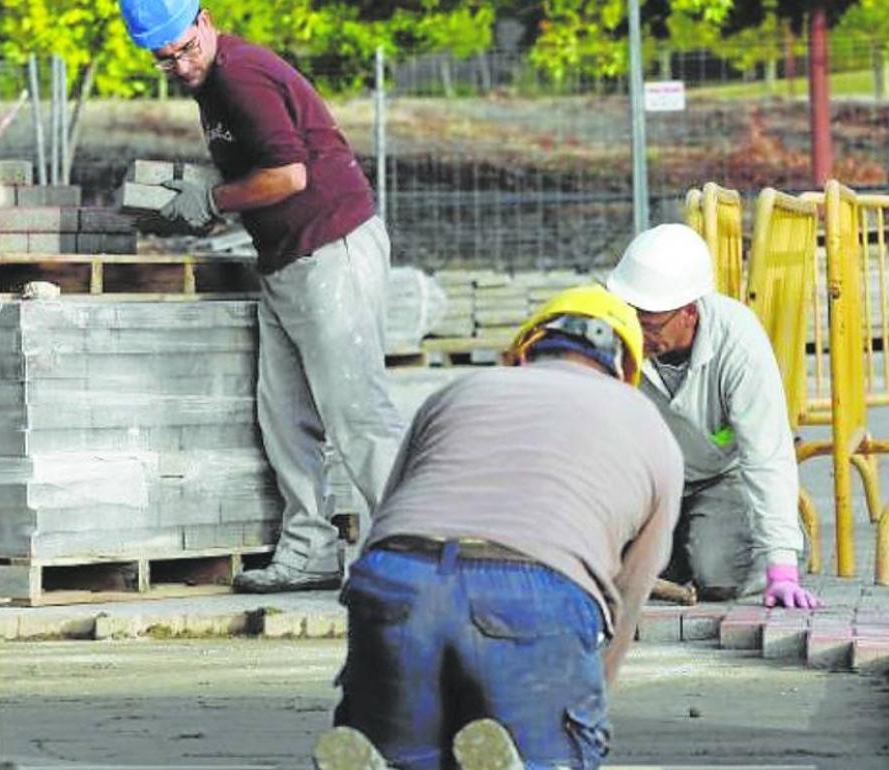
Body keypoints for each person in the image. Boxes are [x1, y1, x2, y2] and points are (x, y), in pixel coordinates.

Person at [315, 285, 684, 770]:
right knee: (567, 750)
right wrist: (585, 698)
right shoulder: (647, 425)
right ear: (624, 370)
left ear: (523, 351)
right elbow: (628, 596)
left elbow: (387, 514)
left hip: (397, 578)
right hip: (534, 591)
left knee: (408, 750)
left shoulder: (459, 391)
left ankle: (391, 757)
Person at [119, 0, 406, 593]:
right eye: (164, 59)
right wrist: (207, 192)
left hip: (331, 249)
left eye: (185, 48)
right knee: (285, 418)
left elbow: (290, 176)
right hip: (286, 261)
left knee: (357, 416)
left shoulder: (241, 75)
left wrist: (214, 199)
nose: (179, 65)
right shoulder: (212, 83)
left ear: (203, 21)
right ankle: (310, 552)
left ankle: (414, 554)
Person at [605, 223, 820, 609]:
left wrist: (782, 565)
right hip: (650, 482)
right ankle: (677, 544)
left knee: (718, 575)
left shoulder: (738, 340)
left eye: (650, 324)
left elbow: (766, 453)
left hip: (720, 476)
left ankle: (763, 536)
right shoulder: (616, 333)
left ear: (688, 312)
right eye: (631, 316)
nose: (637, 331)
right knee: (619, 565)